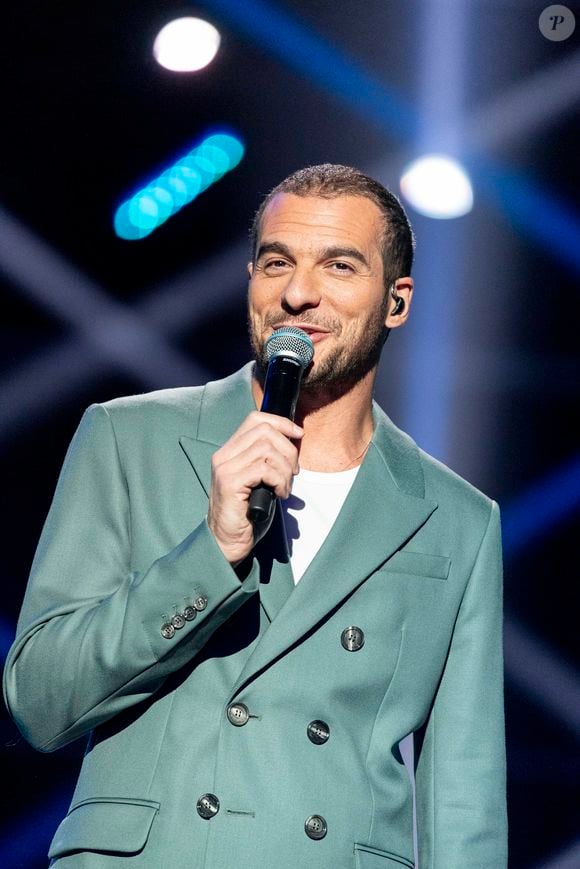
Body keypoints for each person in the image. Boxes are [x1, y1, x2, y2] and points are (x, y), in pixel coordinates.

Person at [3, 164, 507, 868]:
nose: (298, 293)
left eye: (339, 266)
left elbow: (464, 803)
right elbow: (39, 700)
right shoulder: (129, 438)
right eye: (277, 263)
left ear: (396, 301)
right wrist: (211, 551)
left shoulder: (458, 519)